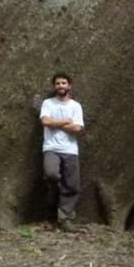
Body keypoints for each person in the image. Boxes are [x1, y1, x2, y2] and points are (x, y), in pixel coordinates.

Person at [39, 72, 84, 231]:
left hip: (70, 150)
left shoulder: (75, 106)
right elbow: (45, 121)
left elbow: (77, 128)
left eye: (63, 83)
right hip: (51, 148)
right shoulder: (48, 103)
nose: (60, 86)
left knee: (71, 185)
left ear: (69, 86)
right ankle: (53, 207)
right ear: (54, 87)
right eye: (57, 83)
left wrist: (54, 123)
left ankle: (64, 218)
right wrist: (66, 121)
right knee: (51, 175)